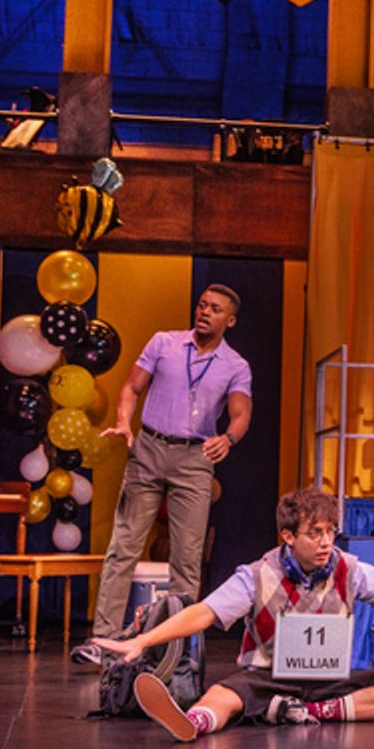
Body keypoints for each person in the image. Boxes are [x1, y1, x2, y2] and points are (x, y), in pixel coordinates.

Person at [88, 488, 374, 740]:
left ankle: (304, 713)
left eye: (330, 532)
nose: (326, 541)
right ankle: (194, 724)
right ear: (288, 536)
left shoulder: (352, 570)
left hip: (329, 684)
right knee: (223, 696)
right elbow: (203, 613)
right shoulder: (257, 574)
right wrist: (142, 640)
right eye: (315, 534)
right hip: (267, 676)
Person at [72, 284, 253, 665]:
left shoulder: (235, 365)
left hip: (195, 457)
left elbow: (240, 412)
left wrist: (230, 438)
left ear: (229, 320)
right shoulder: (164, 343)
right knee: (124, 546)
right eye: (202, 305)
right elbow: (132, 386)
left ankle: (178, 648)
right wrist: (123, 422)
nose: (204, 312)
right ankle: (102, 640)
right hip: (149, 450)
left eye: (215, 309)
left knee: (187, 559)